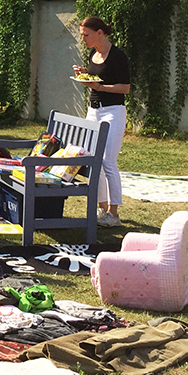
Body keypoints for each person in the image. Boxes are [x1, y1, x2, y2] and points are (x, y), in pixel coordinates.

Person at [73, 16, 130, 227]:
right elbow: (95, 79)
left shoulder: (117, 56)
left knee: (108, 161)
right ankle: (102, 208)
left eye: (86, 35)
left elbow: (125, 88)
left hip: (113, 111)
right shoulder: (92, 54)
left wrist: (101, 88)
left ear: (100, 33)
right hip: (93, 111)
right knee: (92, 159)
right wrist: (84, 75)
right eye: (82, 36)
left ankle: (114, 214)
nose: (84, 39)